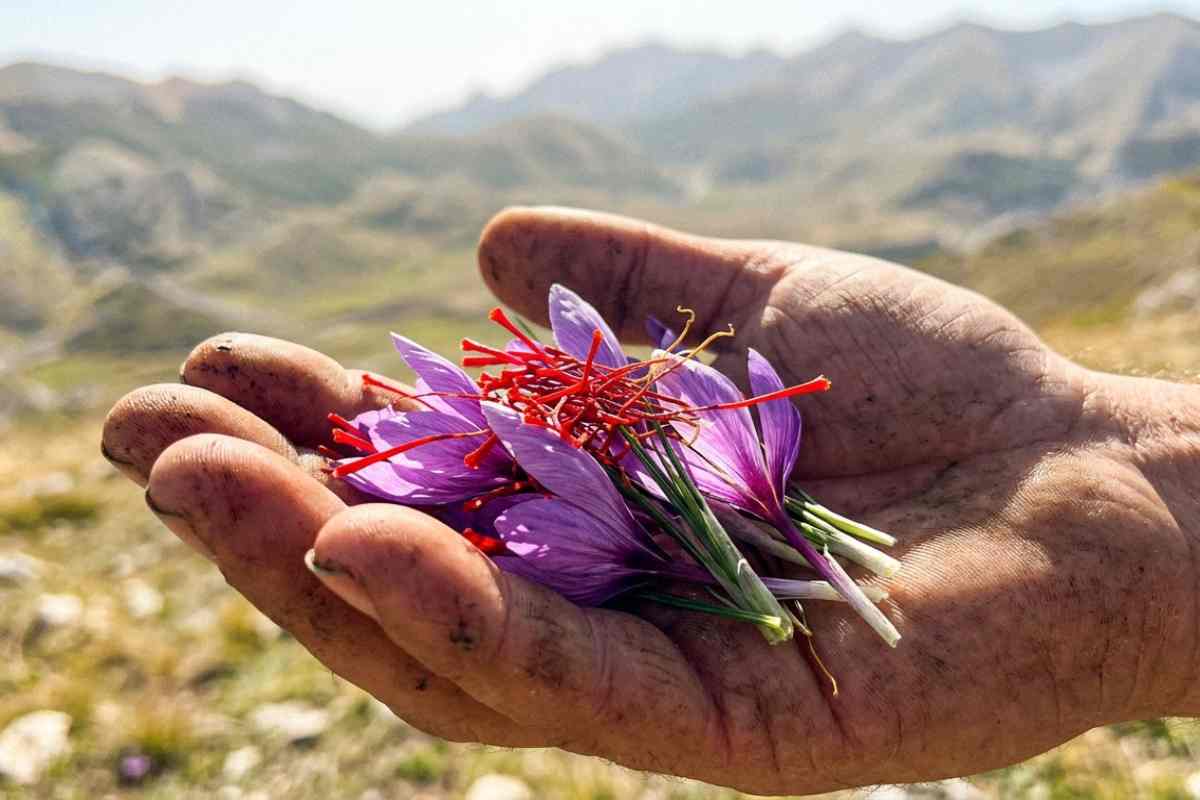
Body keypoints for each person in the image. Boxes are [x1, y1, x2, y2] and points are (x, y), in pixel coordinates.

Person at [100, 207, 1200, 795]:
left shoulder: (698, 450)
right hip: (671, 526)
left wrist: (1130, 492)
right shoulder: (617, 479)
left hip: (728, 503)